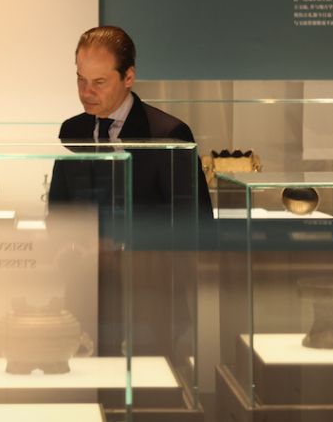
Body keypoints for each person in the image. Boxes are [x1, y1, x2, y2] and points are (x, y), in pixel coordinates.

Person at [48, 26, 212, 361]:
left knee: (152, 391)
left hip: (150, 301)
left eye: (99, 81)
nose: (86, 92)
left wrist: (121, 252)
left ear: (128, 77)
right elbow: (59, 211)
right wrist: (70, 252)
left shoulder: (169, 133)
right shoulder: (73, 130)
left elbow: (196, 223)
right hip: (85, 298)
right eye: (80, 79)